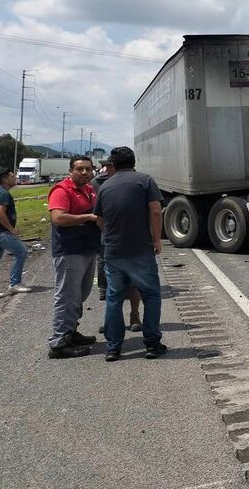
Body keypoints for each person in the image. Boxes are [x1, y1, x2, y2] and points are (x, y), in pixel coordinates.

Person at [94, 146, 166, 362]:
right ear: (134, 162)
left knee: (114, 299)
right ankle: (152, 344)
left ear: (113, 165)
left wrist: (111, 236)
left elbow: (99, 219)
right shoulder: (145, 181)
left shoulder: (105, 187)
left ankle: (113, 348)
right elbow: (155, 210)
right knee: (151, 295)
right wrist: (156, 239)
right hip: (140, 250)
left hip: (113, 252)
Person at [46, 156, 103, 358]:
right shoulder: (62, 190)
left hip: (87, 248)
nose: (85, 173)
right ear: (71, 171)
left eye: (88, 169)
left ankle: (71, 330)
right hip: (69, 251)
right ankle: (59, 343)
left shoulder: (89, 190)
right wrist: (87, 217)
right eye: (80, 169)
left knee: (81, 294)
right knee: (67, 296)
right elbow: (58, 217)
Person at [92, 159, 142, 331]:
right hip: (109, 242)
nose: (110, 168)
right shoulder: (97, 183)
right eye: (109, 165)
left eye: (113, 165)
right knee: (112, 287)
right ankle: (112, 321)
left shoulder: (136, 181)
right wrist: (108, 233)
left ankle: (134, 317)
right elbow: (97, 215)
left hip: (131, 241)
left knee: (133, 283)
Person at [0, 167, 32, 302]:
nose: (15, 178)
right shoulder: (3, 194)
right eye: (12, 176)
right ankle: (15, 284)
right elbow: (0, 213)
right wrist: (11, 229)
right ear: (5, 179)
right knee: (22, 251)